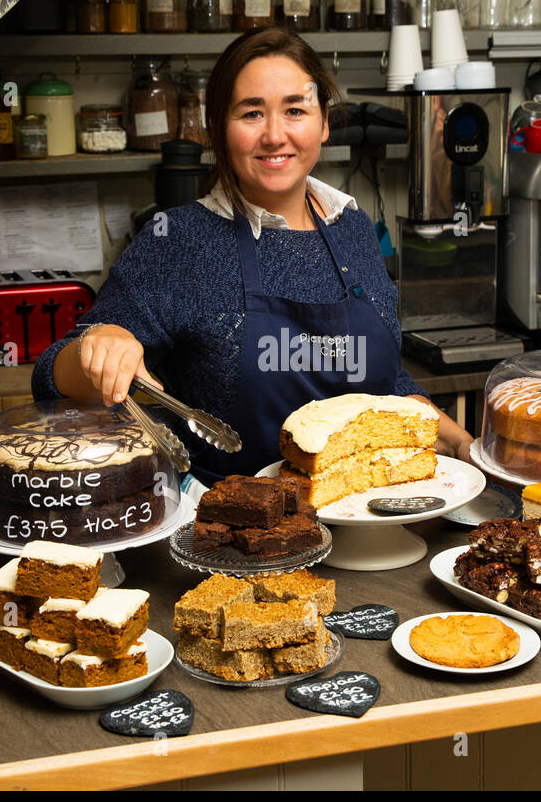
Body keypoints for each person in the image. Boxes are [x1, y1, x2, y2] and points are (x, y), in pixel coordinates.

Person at [33, 26, 473, 484]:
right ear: (219, 130)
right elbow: (52, 372)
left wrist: (463, 445)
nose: (275, 135)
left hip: (370, 516)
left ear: (324, 123)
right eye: (251, 114)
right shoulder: (180, 240)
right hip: (237, 535)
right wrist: (98, 347)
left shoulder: (352, 228)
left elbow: (386, 390)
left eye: (295, 110)